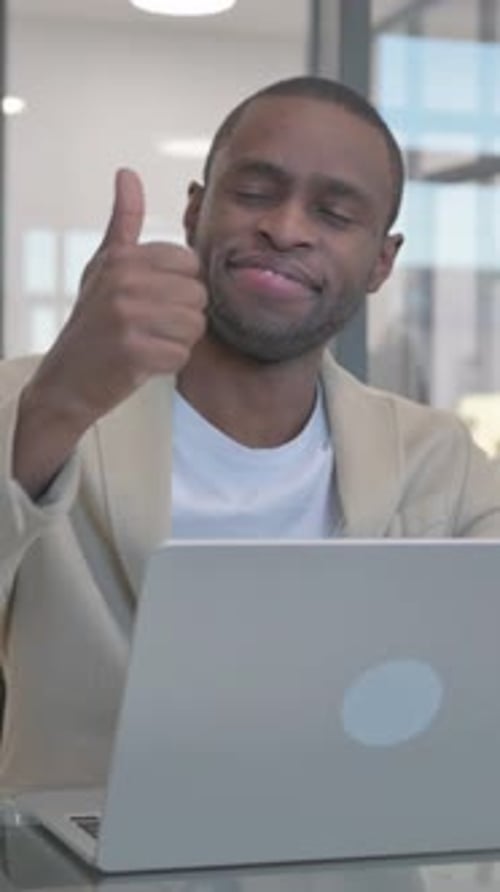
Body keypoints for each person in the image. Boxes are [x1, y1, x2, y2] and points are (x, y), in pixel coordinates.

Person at [0, 76, 499, 791]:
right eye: (256, 192)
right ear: (197, 209)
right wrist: (61, 397)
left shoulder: (438, 459)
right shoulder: (30, 402)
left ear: (382, 262)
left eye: (333, 211)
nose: (288, 228)